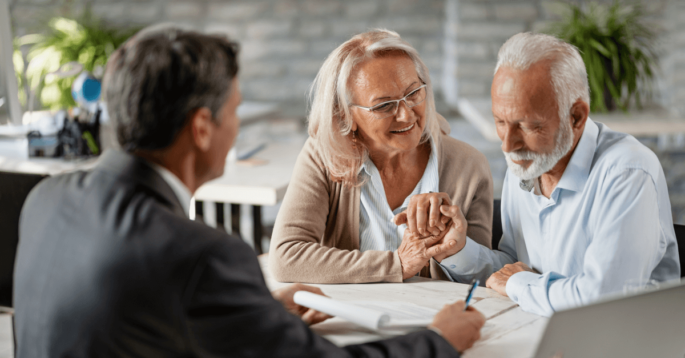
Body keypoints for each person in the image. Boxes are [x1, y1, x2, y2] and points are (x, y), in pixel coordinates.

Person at [12, 26, 486, 357]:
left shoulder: (46, 199)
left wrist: (246, 313)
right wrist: (439, 342)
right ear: (202, 127)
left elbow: (130, 324)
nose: (237, 128)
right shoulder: (202, 256)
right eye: (234, 111)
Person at [398, 32, 681, 316]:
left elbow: (602, 302)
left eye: (529, 126)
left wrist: (520, 283)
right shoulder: (526, 163)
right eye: (500, 121)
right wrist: (456, 248)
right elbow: (513, 269)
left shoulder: (628, 172)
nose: (508, 145)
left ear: (577, 117)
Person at [269, 29, 493, 284]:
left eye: (413, 94)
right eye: (384, 105)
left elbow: (485, 280)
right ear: (345, 116)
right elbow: (286, 257)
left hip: (438, 318)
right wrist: (397, 264)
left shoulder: (469, 165)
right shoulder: (324, 155)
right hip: (348, 317)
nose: (406, 116)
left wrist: (457, 250)